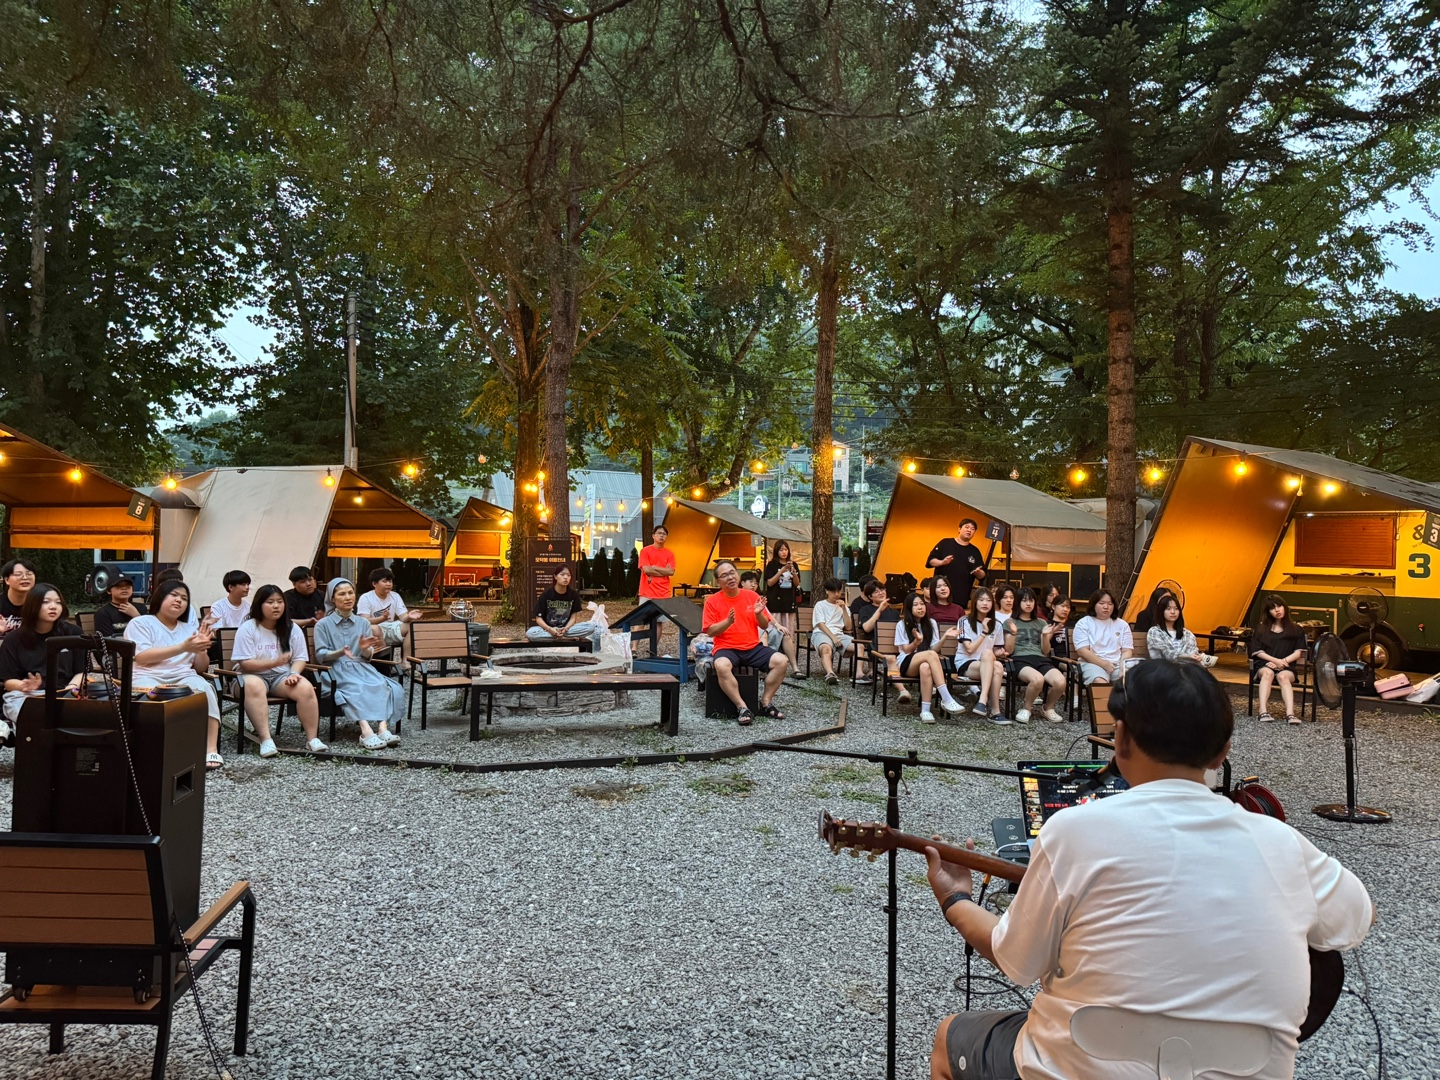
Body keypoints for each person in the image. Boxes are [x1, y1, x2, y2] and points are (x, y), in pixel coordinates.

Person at [923, 660, 1373, 1080]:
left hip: (1080, 1067)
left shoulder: (1073, 831)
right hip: (1250, 1069)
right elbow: (1353, 919)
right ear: (1222, 754)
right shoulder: (1283, 843)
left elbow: (1017, 961)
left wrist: (954, 898)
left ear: (1120, 739)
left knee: (949, 1037)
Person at [125, 579, 223, 769]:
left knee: (204, 688)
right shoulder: (141, 623)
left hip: (183, 675)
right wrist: (183, 647)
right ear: (160, 597)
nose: (179, 600)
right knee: (151, 693)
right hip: (147, 675)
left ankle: (211, 748)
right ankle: (154, 748)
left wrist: (201, 648)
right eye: (174, 595)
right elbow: (143, 657)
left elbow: (201, 668)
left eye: (184, 598)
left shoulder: (189, 629)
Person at [231, 584, 328, 757]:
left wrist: (294, 673)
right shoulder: (248, 628)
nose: (276, 606)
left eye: (279, 602)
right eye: (270, 602)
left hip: (281, 677)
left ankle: (312, 739)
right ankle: (266, 739)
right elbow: (245, 664)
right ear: (259, 605)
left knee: (305, 687)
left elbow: (299, 658)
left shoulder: (292, 628)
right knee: (254, 686)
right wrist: (274, 662)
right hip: (249, 676)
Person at [314, 578, 404, 749]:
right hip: (334, 669)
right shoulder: (323, 625)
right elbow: (320, 655)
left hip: (361, 666)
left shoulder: (363, 623)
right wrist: (340, 652)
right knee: (355, 687)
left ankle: (383, 728)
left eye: (350, 593)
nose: (348, 597)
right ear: (332, 599)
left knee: (381, 684)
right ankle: (365, 731)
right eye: (342, 594)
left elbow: (368, 656)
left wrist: (364, 649)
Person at [703, 560, 789, 725]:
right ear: (718, 581)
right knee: (721, 665)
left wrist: (758, 614)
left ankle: (765, 702)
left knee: (781, 661)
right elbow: (710, 631)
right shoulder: (712, 601)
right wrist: (727, 622)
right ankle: (741, 706)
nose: (730, 577)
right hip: (726, 648)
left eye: (732, 572)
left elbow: (764, 625)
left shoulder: (752, 596)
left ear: (737, 574)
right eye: (724, 575)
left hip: (752, 647)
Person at [0, 583, 83, 742]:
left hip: (65, 692)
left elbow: (81, 671)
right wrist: (24, 685)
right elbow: (8, 681)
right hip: (26, 695)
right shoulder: (14, 639)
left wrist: (71, 688)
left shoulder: (73, 633)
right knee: (36, 716)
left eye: (58, 602)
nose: (53, 607)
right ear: (33, 605)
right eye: (46, 602)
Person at [895, 591, 963, 724]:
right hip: (906, 663)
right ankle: (946, 698)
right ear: (909, 608)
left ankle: (925, 711)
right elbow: (906, 650)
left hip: (925, 661)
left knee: (925, 667)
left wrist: (945, 637)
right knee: (931, 655)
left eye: (922, 604)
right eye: (915, 605)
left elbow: (934, 649)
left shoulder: (931, 623)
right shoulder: (902, 624)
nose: (920, 607)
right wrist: (916, 642)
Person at [1010, 588, 1066, 724]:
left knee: (1060, 682)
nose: (1028, 603)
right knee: (1037, 680)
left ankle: (1047, 708)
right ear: (1017, 602)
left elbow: (1045, 650)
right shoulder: (1010, 622)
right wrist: (1013, 634)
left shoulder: (1041, 623)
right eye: (1024, 600)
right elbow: (1009, 650)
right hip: (1020, 659)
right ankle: (1026, 708)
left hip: (1041, 659)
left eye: (1031, 600)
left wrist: (1045, 635)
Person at [1251, 593, 1309, 724]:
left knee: (1283, 676)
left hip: (1287, 666)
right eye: (1272, 608)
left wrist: (1283, 662)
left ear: (1285, 607)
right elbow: (1257, 652)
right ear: (1268, 612)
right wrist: (1275, 661)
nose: (1277, 610)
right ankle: (1262, 711)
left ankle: (1290, 714)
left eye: (1279, 606)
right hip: (1265, 664)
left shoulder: (1296, 629)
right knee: (1268, 673)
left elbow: (1299, 652)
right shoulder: (1261, 629)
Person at [958, 588, 1008, 723]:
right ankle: (989, 705)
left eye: (988, 600)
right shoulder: (964, 621)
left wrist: (1000, 653)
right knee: (992, 660)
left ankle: (988, 706)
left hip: (987, 663)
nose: (985, 603)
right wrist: (984, 633)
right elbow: (969, 649)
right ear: (974, 602)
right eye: (981, 600)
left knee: (996, 664)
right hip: (966, 663)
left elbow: (995, 650)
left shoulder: (997, 625)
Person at [526, 565, 603, 650]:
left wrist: (566, 629)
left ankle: (560, 636)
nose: (566, 577)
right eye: (562, 574)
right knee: (531, 633)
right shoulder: (546, 594)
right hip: (549, 630)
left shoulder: (573, 595)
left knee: (591, 627)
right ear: (555, 576)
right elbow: (538, 618)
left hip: (567, 630)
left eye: (568, 575)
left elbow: (573, 618)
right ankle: (563, 637)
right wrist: (550, 629)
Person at [1073, 588, 1139, 685]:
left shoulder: (1122, 624)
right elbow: (1082, 651)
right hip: (1092, 663)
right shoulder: (1084, 623)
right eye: (1101, 603)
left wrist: (1123, 668)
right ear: (1093, 605)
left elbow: (1127, 651)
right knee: (1100, 682)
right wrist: (1104, 664)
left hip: (1117, 664)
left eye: (1110, 604)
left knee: (1133, 679)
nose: (1106, 607)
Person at [763, 540, 803, 678]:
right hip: (775, 603)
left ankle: (789, 664)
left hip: (788, 603)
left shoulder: (793, 564)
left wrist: (793, 572)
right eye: (781, 550)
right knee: (774, 633)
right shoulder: (771, 565)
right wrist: (781, 571)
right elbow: (769, 583)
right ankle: (773, 662)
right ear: (776, 551)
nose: (784, 552)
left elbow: (797, 584)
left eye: (786, 549)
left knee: (788, 633)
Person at [1146, 591, 1217, 667]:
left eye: (1176, 609)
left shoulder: (1187, 634)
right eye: (1168, 609)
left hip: (1187, 668)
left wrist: (1197, 657)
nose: (1173, 612)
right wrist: (1187, 657)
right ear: (1161, 611)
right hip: (1164, 669)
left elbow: (1193, 652)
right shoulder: (1155, 632)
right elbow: (1167, 654)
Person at [927, 519, 986, 609]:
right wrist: (942, 562)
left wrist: (978, 572)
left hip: (961, 596)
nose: (969, 530)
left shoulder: (975, 551)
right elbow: (931, 561)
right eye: (967, 527)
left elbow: (983, 575)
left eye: (972, 529)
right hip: (940, 594)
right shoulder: (945, 543)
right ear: (959, 529)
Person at [810, 576, 854, 684]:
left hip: (839, 635)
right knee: (825, 648)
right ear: (827, 591)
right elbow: (821, 624)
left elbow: (849, 627)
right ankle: (830, 673)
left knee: (859, 646)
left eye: (839, 591)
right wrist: (833, 637)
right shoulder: (820, 605)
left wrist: (844, 609)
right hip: (822, 633)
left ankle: (859, 674)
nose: (837, 594)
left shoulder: (843, 606)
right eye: (833, 591)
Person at [850, 578, 890, 686]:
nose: (881, 593)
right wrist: (879, 610)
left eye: (882, 590)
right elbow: (867, 628)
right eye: (876, 591)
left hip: (892, 644)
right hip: (874, 644)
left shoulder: (893, 611)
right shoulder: (865, 609)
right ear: (870, 597)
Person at [741, 570, 786, 652]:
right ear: (742, 583)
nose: (753, 585)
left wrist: (778, 625)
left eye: (756, 583)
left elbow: (767, 614)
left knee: (785, 634)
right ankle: (765, 657)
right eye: (750, 582)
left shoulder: (757, 597)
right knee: (764, 633)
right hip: (747, 628)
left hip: (762, 626)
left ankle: (793, 661)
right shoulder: (738, 596)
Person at [93, 573, 146, 637]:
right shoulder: (103, 613)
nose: (124, 588)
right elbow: (108, 639)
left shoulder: (141, 608)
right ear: (109, 591)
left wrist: (136, 616)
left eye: (128, 586)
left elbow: (150, 633)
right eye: (118, 586)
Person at [0, 558, 38, 638]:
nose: (25, 577)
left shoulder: (40, 604)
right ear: (7, 580)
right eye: (18, 574)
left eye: (29, 574)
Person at [638, 524, 677, 600]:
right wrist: (664, 572)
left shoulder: (670, 554)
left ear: (666, 537)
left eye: (664, 534)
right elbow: (647, 570)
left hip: (664, 594)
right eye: (659, 533)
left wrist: (655, 567)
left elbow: (671, 572)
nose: (661, 536)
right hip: (646, 594)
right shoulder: (645, 551)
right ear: (653, 535)